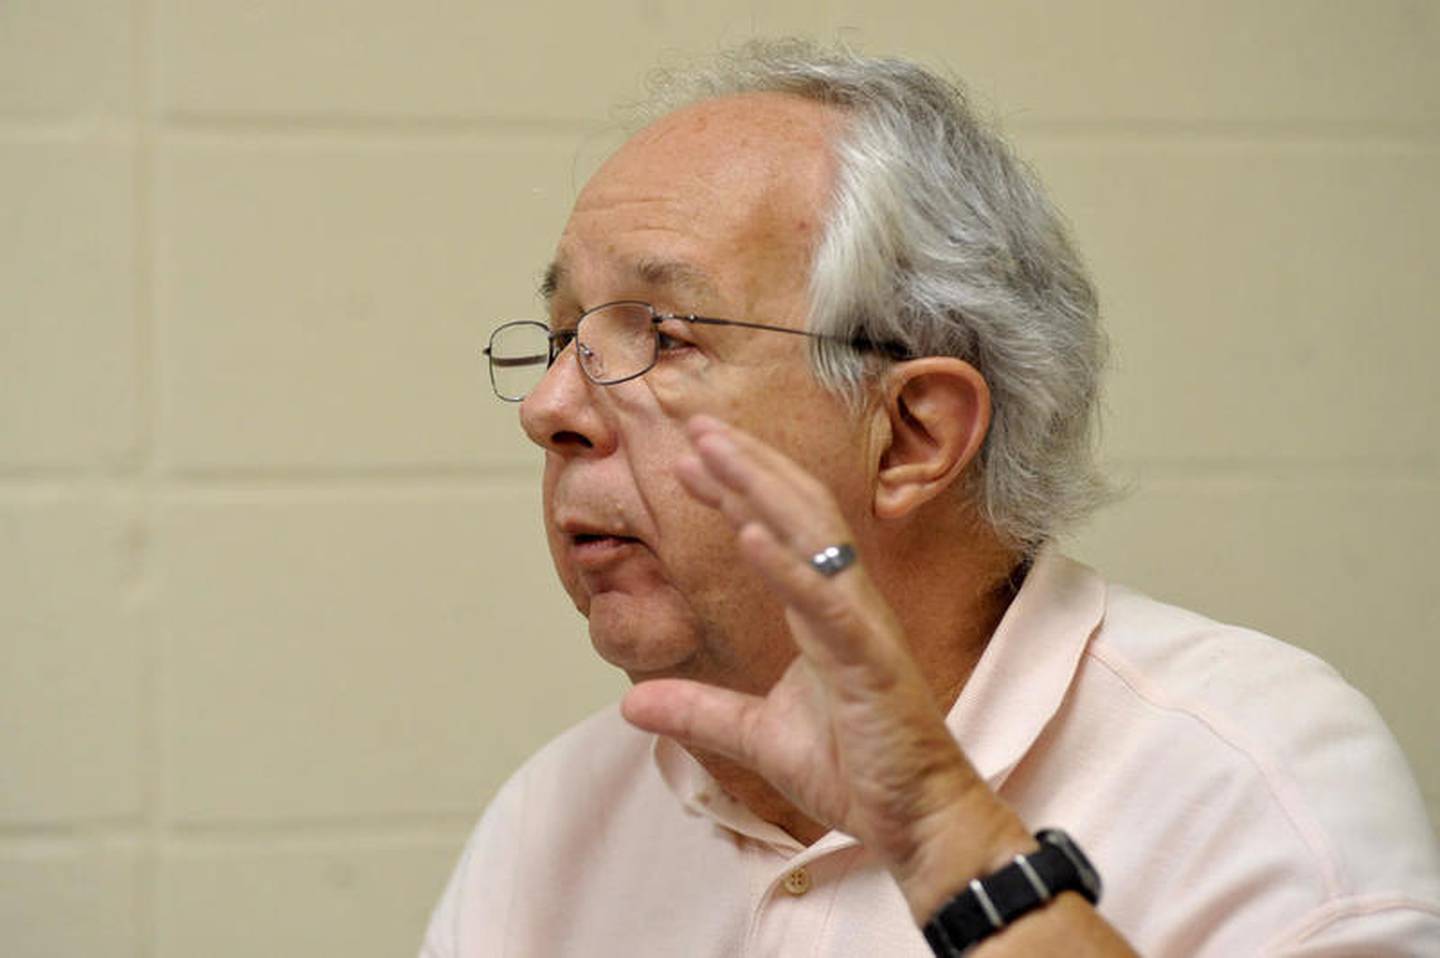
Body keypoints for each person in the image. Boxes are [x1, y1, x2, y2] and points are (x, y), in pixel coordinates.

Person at [422, 40, 1440, 956]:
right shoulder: (554, 821)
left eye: (666, 336)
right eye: (565, 339)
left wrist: (943, 827)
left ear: (913, 435)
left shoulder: (1252, 781)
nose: (552, 406)